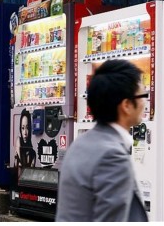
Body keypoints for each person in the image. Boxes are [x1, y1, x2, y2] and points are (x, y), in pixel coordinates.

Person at [56, 59, 148, 222]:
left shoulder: (79, 144)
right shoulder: (112, 156)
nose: (145, 102)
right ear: (126, 105)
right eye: (142, 95)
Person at [14, 109, 36, 175]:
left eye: (27, 128)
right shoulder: (18, 141)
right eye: (22, 128)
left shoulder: (33, 154)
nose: (25, 133)